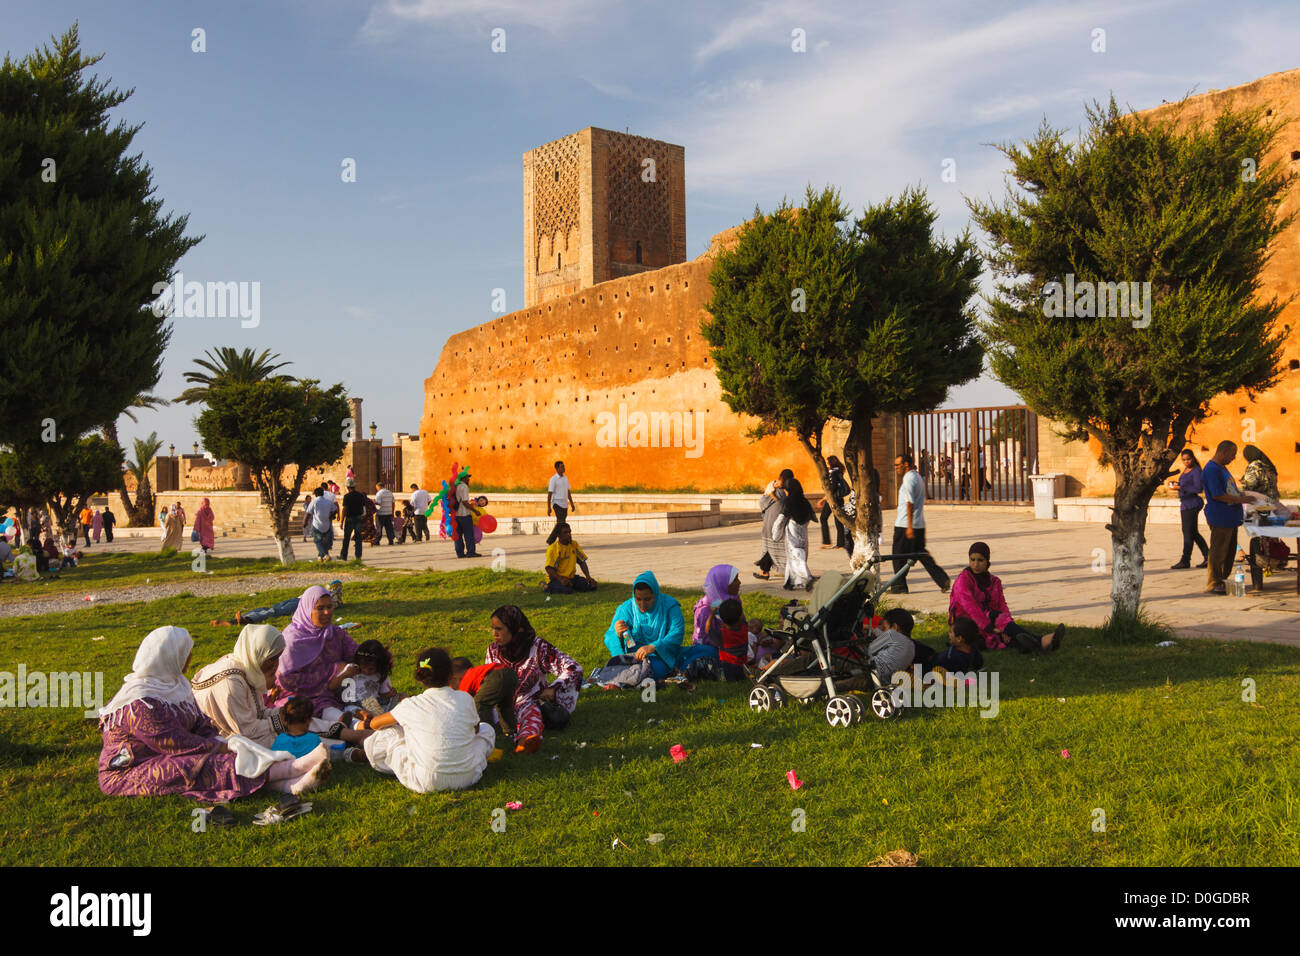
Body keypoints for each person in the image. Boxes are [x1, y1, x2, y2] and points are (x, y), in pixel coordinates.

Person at [99, 625, 331, 802]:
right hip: (129, 769)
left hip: (173, 751)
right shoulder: (139, 701)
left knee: (232, 749)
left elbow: (200, 722)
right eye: (184, 653)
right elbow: (171, 742)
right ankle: (292, 771)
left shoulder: (175, 685)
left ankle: (289, 785)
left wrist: (220, 740)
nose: (188, 659)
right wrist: (217, 745)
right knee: (198, 765)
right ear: (168, 657)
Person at [191, 621, 365, 747]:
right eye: (272, 659)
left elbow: (259, 713)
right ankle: (341, 745)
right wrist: (283, 720)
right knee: (297, 741)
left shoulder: (244, 666)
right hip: (232, 740)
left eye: (277, 658)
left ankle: (348, 734)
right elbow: (246, 731)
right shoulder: (232, 682)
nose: (275, 665)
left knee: (295, 718)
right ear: (259, 654)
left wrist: (285, 714)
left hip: (248, 730)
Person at [348, 647, 495, 793]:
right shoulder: (466, 698)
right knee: (487, 729)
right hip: (468, 777)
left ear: (420, 677)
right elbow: (476, 730)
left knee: (391, 733)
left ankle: (361, 755)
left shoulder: (411, 704)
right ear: (451, 675)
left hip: (425, 780)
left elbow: (375, 724)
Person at [486, 605, 582, 753]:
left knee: (532, 715)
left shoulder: (539, 648)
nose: (494, 634)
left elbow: (573, 668)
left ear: (516, 629)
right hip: (498, 704)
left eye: (499, 629)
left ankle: (524, 742)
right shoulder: (493, 650)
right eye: (493, 628)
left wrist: (554, 688)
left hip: (527, 701)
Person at [949, 541, 1062, 653]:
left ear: (987, 562)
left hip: (988, 618)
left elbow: (1001, 605)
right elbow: (971, 609)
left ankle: (1034, 646)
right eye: (972, 560)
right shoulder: (963, 580)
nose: (975, 564)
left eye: (980, 560)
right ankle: (1041, 641)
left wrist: (1007, 626)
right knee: (988, 634)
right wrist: (991, 628)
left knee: (1003, 631)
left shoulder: (994, 581)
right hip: (965, 623)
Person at [269, 585, 358, 720]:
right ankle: (356, 726)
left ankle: (377, 713)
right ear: (307, 610)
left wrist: (378, 656)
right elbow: (286, 681)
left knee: (364, 687)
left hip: (339, 689)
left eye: (329, 607)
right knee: (308, 711)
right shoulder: (292, 641)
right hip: (300, 696)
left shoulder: (334, 634)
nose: (327, 612)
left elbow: (357, 654)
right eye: (320, 608)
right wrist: (333, 673)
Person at [603, 571, 686, 681]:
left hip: (661, 655)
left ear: (655, 595)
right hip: (633, 657)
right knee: (651, 670)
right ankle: (631, 672)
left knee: (704, 651)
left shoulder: (669, 606)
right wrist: (617, 634)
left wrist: (653, 647)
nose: (642, 604)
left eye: (647, 599)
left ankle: (631, 675)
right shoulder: (626, 609)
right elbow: (610, 636)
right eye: (638, 599)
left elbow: (677, 632)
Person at [890, 453, 951, 594]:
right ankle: (942, 579)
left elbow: (909, 503)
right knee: (921, 554)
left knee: (898, 556)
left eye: (897, 465)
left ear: (905, 465)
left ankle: (899, 586)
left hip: (906, 525)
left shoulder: (908, 479)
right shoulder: (917, 477)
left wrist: (909, 527)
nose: (896, 468)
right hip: (919, 524)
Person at [1202, 440, 1251, 595]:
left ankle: (1222, 579)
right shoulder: (1212, 470)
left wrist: (1241, 495)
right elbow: (1217, 494)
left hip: (1230, 517)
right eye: (1232, 454)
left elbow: (1230, 490)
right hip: (1220, 517)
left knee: (1229, 551)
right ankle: (1214, 582)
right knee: (1218, 551)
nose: (1233, 458)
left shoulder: (1222, 469)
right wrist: (1241, 500)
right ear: (1223, 453)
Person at [337, 639, 400, 724]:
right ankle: (371, 720)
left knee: (403, 697)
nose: (366, 671)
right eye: (363, 667)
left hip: (374, 702)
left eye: (371, 669)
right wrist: (346, 674)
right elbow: (334, 686)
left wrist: (390, 694)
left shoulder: (380, 674)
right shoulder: (351, 669)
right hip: (355, 703)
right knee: (359, 712)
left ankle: (381, 720)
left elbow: (383, 695)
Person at [451, 657, 519, 735]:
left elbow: (463, 704)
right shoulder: (476, 672)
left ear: (454, 677)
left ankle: (486, 734)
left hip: (497, 676)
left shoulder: (465, 680)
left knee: (480, 703)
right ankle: (510, 732)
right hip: (511, 673)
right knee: (504, 705)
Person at [1167, 449, 1209, 569]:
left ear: (1193, 458)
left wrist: (1180, 487)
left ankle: (1185, 560)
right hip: (1185, 503)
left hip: (1192, 503)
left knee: (1188, 532)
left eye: (1188, 459)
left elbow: (1198, 488)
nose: (1186, 462)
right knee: (1193, 532)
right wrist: (1176, 485)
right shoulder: (1186, 470)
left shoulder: (1196, 471)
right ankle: (1208, 556)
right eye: (1184, 460)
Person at [776, 471, 815, 591]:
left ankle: (807, 578)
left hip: (793, 532)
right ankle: (790, 581)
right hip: (803, 533)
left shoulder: (789, 501)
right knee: (795, 556)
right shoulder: (804, 501)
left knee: (796, 555)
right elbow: (811, 517)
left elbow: (781, 518)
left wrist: (776, 533)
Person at [542, 523, 597, 593]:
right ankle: (547, 587)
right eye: (565, 532)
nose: (569, 535)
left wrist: (588, 577)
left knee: (591, 586)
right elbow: (549, 568)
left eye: (569, 532)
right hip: (556, 579)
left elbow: (582, 562)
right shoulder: (553, 548)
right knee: (567, 590)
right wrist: (561, 579)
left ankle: (571, 585)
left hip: (571, 577)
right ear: (559, 535)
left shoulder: (574, 544)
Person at [754, 475, 787, 580]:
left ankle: (765, 571)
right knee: (772, 548)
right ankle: (765, 570)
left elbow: (762, 502)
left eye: (778, 482)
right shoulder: (786, 494)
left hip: (772, 524)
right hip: (780, 524)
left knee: (770, 547)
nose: (777, 483)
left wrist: (771, 494)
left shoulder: (776, 494)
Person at [819, 456, 851, 553]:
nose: (826, 464)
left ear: (831, 463)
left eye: (827, 463)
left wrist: (823, 499)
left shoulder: (833, 473)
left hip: (833, 500)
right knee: (838, 520)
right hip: (838, 499)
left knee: (823, 518)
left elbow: (832, 488)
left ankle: (827, 542)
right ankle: (840, 544)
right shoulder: (838, 472)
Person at [546, 460, 577, 545]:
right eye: (562, 466)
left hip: (564, 504)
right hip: (557, 503)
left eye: (564, 466)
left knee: (561, 523)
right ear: (557, 468)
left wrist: (572, 503)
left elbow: (568, 491)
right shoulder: (553, 479)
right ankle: (552, 540)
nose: (564, 468)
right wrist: (549, 507)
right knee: (561, 522)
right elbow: (549, 494)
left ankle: (561, 539)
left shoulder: (565, 478)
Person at [338, 477, 368, 561]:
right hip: (358, 518)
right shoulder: (360, 495)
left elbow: (345, 509)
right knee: (358, 538)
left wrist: (341, 521)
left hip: (350, 518)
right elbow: (363, 507)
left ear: (348, 487)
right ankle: (358, 556)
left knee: (346, 538)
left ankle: (344, 556)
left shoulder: (347, 496)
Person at [453, 470, 479, 558]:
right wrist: (475, 511)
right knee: (469, 535)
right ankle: (471, 552)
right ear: (463, 478)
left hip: (456, 515)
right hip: (464, 515)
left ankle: (460, 553)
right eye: (467, 477)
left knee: (458, 536)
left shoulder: (455, 486)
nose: (469, 479)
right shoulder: (464, 486)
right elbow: (464, 502)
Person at [306, 487, 336, 562]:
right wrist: (331, 515)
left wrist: (305, 522)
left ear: (315, 494)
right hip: (327, 524)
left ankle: (325, 554)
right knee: (325, 541)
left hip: (317, 525)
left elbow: (308, 513)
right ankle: (320, 556)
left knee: (318, 541)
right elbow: (335, 509)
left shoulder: (314, 502)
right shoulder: (328, 502)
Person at [374, 480, 395, 545]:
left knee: (379, 528)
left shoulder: (379, 493)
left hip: (381, 514)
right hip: (389, 513)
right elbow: (393, 503)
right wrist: (392, 512)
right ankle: (390, 540)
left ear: (378, 487)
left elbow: (378, 504)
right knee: (389, 528)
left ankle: (377, 541)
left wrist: (374, 507)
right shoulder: (390, 492)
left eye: (376, 488)